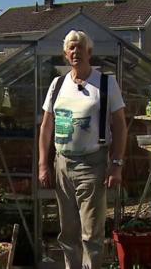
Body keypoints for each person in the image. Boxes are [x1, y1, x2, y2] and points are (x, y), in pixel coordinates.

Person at [38, 30, 127, 269]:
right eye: (71, 48)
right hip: (62, 164)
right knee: (67, 232)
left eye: (80, 47)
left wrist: (116, 165)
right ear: (66, 54)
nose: (75, 51)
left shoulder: (106, 83)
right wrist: (43, 164)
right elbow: (47, 126)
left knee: (91, 233)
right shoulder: (57, 85)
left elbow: (119, 125)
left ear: (89, 52)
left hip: (93, 164)